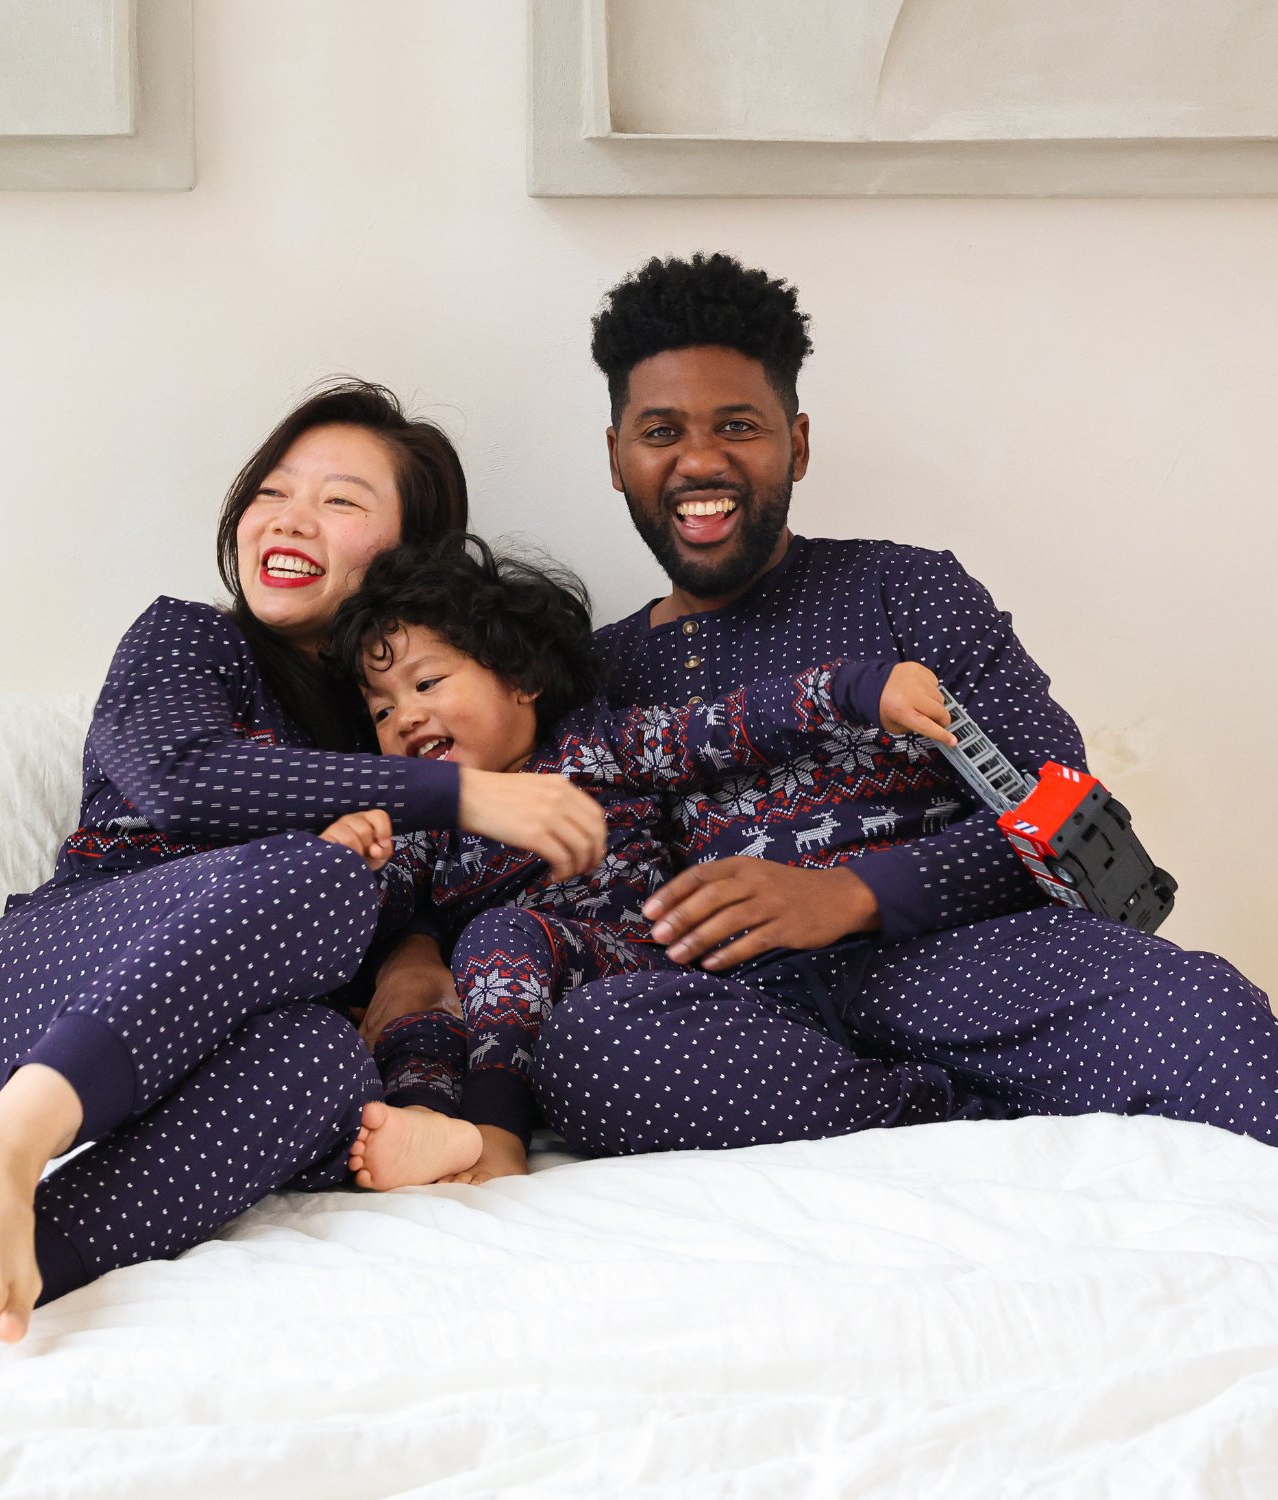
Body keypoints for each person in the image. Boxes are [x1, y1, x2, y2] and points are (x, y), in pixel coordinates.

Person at [0, 381, 607, 1401]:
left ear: (404, 558)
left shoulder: (400, 727)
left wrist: (416, 953)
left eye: (341, 500)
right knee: (320, 869)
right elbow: (180, 773)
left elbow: (439, 926)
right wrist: (460, 793)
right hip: (44, 1003)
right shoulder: (188, 644)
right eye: (273, 489)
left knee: (323, 1065)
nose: (291, 516)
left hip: (199, 1058)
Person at [531, 252, 1278, 1157]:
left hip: (963, 966)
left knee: (1202, 1010)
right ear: (617, 456)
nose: (700, 460)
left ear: (796, 443)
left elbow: (1069, 810)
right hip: (745, 1015)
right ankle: (945, 1121)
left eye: (738, 425)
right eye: (660, 432)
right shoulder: (590, 673)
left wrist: (849, 894)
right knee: (586, 1046)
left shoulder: (905, 589)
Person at [315, 534, 988, 1189]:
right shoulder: (430, 815)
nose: (405, 716)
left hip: (632, 964)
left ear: (520, 679)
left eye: (427, 682)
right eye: (382, 709)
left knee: (498, 934)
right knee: (423, 1012)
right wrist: (350, 858)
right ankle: (424, 1126)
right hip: (501, 1003)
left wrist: (859, 688)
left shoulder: (599, 747)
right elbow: (380, 905)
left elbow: (730, 726)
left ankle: (495, 1140)